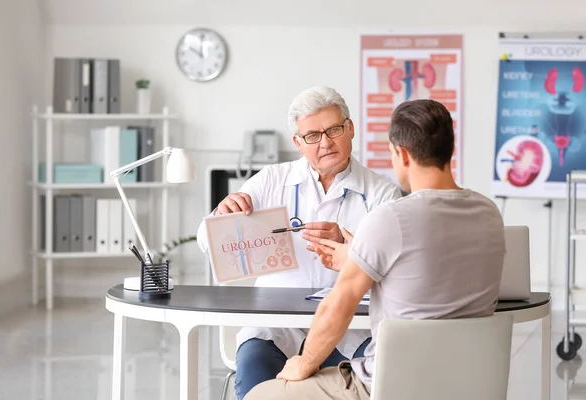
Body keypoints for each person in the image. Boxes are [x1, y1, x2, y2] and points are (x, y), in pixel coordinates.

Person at [244, 99, 506, 400]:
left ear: (402, 154)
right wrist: (356, 255)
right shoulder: (488, 213)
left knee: (260, 395)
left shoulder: (391, 216)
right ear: (450, 146)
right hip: (467, 379)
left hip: (391, 383)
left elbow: (336, 308)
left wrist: (302, 364)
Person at [196, 86, 402, 400]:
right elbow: (205, 242)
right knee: (253, 371)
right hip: (275, 327)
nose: (326, 142)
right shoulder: (270, 180)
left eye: (334, 130)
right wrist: (223, 215)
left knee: (379, 379)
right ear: (298, 142)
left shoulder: (381, 193)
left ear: (350, 128)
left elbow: (393, 269)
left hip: (351, 328)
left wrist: (353, 252)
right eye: (312, 136)